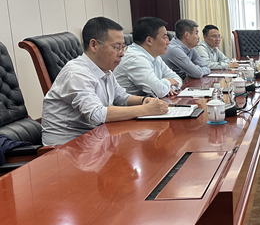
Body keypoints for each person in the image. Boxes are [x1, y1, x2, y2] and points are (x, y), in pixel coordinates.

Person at [41, 17, 169, 146]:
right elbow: (97, 115)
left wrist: (145, 101)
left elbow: (122, 98)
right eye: (116, 47)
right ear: (94, 45)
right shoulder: (76, 73)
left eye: (123, 47)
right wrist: (146, 109)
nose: (122, 54)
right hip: (67, 147)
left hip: (94, 138)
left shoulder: (105, 70)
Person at [114, 17, 181, 98]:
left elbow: (177, 80)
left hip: (148, 102)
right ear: (149, 40)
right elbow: (159, 91)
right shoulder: (135, 58)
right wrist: (168, 81)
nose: (168, 42)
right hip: (131, 105)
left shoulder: (155, 56)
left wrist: (167, 87)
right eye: (164, 37)